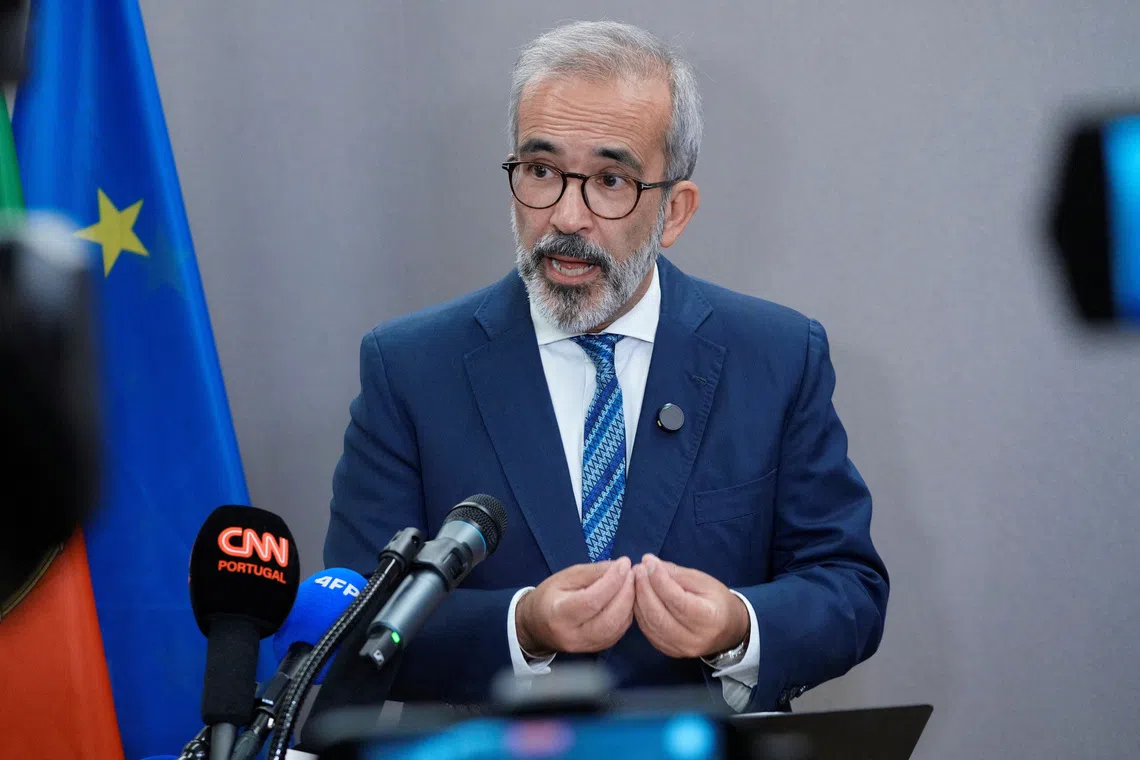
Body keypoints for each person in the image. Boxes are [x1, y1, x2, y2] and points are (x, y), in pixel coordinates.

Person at [322, 20, 888, 713]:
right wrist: (521, 625)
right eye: (540, 171)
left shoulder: (776, 356)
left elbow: (848, 588)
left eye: (611, 181)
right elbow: (347, 622)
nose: (566, 216)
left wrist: (739, 624)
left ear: (673, 211)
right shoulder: (410, 367)